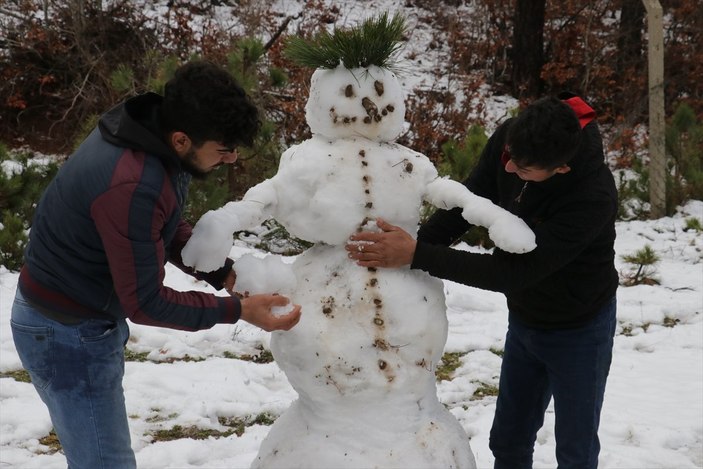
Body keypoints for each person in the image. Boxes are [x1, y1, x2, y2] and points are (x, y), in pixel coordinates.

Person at [10, 60, 302, 469]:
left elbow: (156, 228)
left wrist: (223, 273)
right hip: (64, 333)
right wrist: (239, 311)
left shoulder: (152, 138)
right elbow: (145, 301)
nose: (233, 159)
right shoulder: (133, 180)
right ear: (182, 139)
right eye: (224, 150)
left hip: (74, 319)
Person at [346, 93, 618, 469]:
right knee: (507, 441)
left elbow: (513, 272)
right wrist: (410, 248)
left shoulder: (592, 197)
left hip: (579, 328)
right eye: (509, 157)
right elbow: (471, 202)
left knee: (575, 452)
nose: (508, 171)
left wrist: (416, 255)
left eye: (522, 170)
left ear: (561, 170)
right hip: (525, 319)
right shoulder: (515, 139)